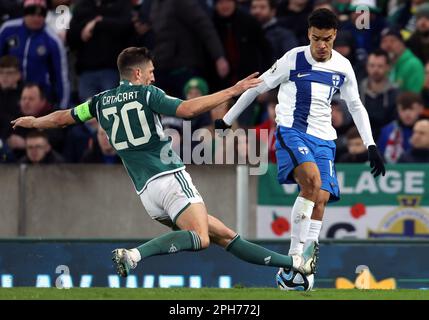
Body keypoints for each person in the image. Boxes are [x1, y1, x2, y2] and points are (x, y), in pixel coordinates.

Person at [11, 46, 318, 278]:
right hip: (170, 177)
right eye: (151, 71)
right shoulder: (146, 94)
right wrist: (232, 90)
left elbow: (64, 118)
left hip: (146, 194)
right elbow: (186, 110)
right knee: (199, 237)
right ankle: (133, 255)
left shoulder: (99, 101)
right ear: (137, 74)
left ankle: (296, 264)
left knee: (222, 235)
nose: (154, 76)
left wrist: (36, 122)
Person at [215, 9, 385, 276]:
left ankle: (307, 259)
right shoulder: (292, 59)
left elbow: (355, 105)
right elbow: (258, 88)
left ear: (335, 35)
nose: (321, 45)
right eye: (316, 38)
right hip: (292, 131)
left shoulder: (342, 65)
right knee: (313, 182)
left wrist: (371, 145)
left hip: (325, 138)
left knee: (321, 198)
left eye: (327, 39)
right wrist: (227, 119)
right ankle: (294, 255)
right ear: (308, 34)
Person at [0, 0, 70, 108]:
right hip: (9, 92)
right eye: (31, 13)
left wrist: (62, 107)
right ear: (24, 13)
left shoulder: (52, 40)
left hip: (38, 97)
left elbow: (61, 76)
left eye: (41, 14)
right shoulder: (7, 29)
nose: (36, 18)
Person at [378, 92, 423, 163]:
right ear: (397, 110)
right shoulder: (387, 130)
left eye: (412, 109)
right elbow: (381, 153)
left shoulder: (426, 130)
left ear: (421, 108)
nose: (407, 113)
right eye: (403, 109)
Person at [380, 26, 425, 93]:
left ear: (402, 43)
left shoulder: (413, 64)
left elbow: (414, 95)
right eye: (384, 41)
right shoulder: (383, 64)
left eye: (392, 41)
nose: (388, 45)